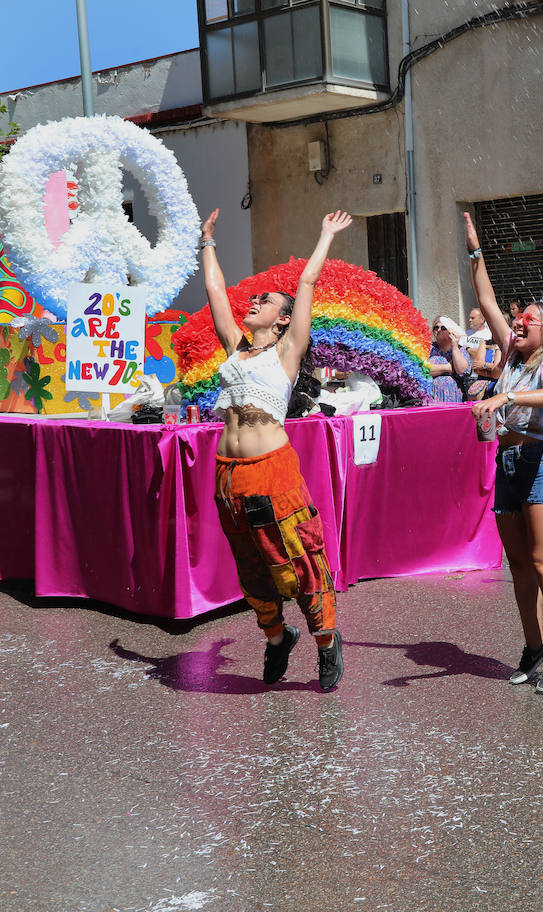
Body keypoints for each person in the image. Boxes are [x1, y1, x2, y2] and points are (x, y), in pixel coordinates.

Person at [200, 207, 348, 690]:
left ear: (283, 320)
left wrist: (324, 235)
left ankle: (326, 641)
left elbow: (305, 285)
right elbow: (217, 293)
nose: (255, 301)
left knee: (298, 559)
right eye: (256, 298)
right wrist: (207, 243)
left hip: (273, 472)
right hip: (228, 475)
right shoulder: (234, 348)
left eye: (265, 301)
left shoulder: (287, 352)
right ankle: (277, 636)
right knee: (252, 566)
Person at [464, 212, 543, 694]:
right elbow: (486, 298)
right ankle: (532, 648)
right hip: (506, 463)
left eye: (528, 320)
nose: (517, 323)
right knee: (517, 565)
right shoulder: (510, 355)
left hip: (540, 462)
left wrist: (506, 397)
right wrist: (474, 251)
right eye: (519, 319)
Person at [428, 315, 472, 403]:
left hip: (454, 394)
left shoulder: (460, 350)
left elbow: (461, 370)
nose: (439, 330)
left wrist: (455, 346)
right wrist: (448, 367)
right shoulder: (427, 348)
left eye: (443, 328)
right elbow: (423, 370)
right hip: (431, 394)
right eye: (436, 327)